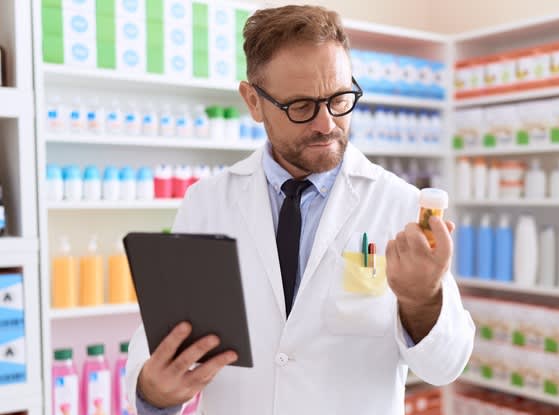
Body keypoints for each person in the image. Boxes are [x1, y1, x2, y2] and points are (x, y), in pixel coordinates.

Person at [126, 5, 474, 415]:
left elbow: (445, 365)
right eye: (302, 107)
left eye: (340, 99)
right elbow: (161, 335)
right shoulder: (208, 201)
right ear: (253, 102)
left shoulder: (399, 203)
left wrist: (422, 299)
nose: (327, 124)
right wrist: (152, 391)